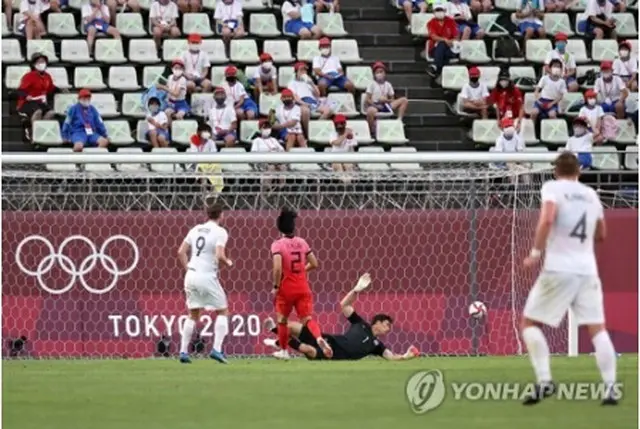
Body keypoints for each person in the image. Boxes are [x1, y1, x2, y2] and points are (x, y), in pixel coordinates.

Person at [521, 152, 618, 406]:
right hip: (586, 269)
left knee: (530, 323)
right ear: (579, 171)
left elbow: (547, 219)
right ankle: (610, 388)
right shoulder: (591, 194)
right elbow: (602, 234)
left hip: (558, 268)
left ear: (555, 171)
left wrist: (535, 253)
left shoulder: (552, 188)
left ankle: (544, 380)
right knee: (598, 329)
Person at [263, 273, 420, 361]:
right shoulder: (360, 324)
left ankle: (278, 338)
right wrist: (356, 290)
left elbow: (391, 356)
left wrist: (406, 356)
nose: (388, 329)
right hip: (328, 340)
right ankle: (276, 335)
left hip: (333, 355)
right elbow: (344, 305)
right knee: (290, 326)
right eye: (386, 324)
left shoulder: (376, 345)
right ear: (377, 322)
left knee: (307, 349)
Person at [270, 207, 332, 360]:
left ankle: (284, 351)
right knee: (307, 320)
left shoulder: (277, 245)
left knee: (282, 320)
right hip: (303, 287)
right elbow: (315, 263)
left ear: (279, 227)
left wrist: (276, 286)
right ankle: (318, 338)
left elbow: (277, 268)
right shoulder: (302, 242)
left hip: (286, 288)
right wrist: (302, 271)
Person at [177, 203, 232, 364]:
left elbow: (180, 252)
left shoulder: (195, 229)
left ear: (207, 214)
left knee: (193, 314)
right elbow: (220, 255)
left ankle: (183, 352)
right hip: (207, 276)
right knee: (222, 311)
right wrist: (228, 262)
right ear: (221, 215)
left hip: (191, 275)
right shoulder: (220, 232)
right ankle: (216, 349)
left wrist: (189, 268)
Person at [17, 53, 56, 141]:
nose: (41, 63)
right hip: (27, 103)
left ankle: (42, 132)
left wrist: (62, 90)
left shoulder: (47, 76)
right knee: (38, 112)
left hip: (40, 102)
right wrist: (26, 96)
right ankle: (34, 135)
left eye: (43, 61)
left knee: (51, 113)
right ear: (34, 64)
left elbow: (51, 88)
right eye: (39, 62)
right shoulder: (29, 76)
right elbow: (20, 90)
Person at [288, 62, 333, 134]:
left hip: (313, 102)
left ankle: (315, 128)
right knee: (306, 111)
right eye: (301, 70)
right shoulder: (292, 83)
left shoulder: (308, 82)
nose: (303, 72)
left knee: (328, 110)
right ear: (296, 72)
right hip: (301, 102)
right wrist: (304, 103)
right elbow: (295, 97)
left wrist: (311, 83)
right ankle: (308, 133)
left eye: (305, 70)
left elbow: (318, 94)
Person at [364, 61, 408, 134]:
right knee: (370, 111)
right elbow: (367, 99)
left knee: (404, 100)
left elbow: (392, 99)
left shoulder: (388, 85)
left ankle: (399, 120)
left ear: (384, 73)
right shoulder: (371, 84)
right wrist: (376, 106)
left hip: (386, 105)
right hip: (375, 105)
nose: (379, 74)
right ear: (374, 74)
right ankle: (371, 130)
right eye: (377, 72)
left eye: (381, 72)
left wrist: (386, 100)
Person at [426, 3, 458, 79]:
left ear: (445, 10)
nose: (439, 12)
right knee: (442, 45)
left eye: (441, 10)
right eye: (437, 10)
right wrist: (445, 40)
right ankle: (440, 74)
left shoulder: (451, 21)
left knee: (444, 48)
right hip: (435, 49)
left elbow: (456, 37)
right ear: (433, 12)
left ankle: (435, 67)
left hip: (450, 48)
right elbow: (433, 36)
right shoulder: (431, 23)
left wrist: (450, 41)